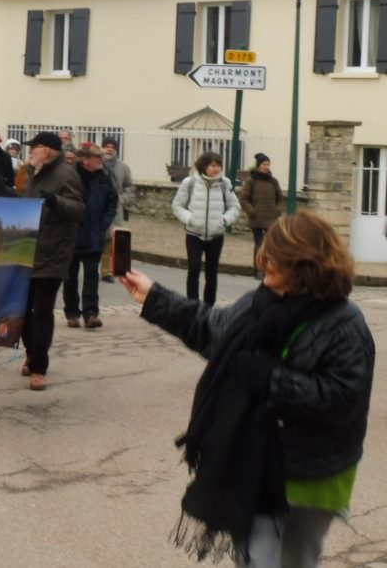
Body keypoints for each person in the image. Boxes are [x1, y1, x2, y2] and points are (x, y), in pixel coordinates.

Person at [119, 211, 374, 567]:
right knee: (257, 561)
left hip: (316, 473)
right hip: (252, 463)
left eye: (274, 263)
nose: (263, 268)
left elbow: (340, 400)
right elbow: (209, 328)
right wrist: (154, 298)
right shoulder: (261, 303)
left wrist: (270, 378)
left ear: (306, 267)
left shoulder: (346, 324)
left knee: (298, 561)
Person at [15, 131, 85, 391]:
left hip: (54, 253)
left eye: (34, 148)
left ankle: (39, 368)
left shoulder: (67, 174)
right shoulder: (32, 173)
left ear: (46, 150)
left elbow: (78, 209)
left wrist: (56, 201)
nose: (30, 152)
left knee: (42, 311)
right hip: (28, 250)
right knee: (22, 309)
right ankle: (32, 353)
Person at [172, 151, 240, 306]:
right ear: (204, 166)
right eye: (213, 165)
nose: (217, 169)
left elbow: (234, 207)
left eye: (219, 165)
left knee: (212, 273)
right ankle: (193, 306)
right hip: (194, 234)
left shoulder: (225, 183)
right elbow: (177, 205)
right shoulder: (190, 183)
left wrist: (223, 220)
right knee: (194, 270)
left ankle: (209, 307)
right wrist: (190, 219)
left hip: (216, 236)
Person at [63, 143, 117, 329]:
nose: (101, 160)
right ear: (85, 160)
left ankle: (90, 313)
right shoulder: (70, 176)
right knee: (70, 276)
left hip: (94, 234)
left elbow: (112, 200)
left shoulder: (104, 177)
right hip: (72, 234)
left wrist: (103, 224)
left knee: (92, 275)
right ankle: (71, 312)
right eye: (97, 157)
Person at [239, 153, 284, 277]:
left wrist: (277, 210)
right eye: (264, 164)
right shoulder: (251, 181)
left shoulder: (273, 181)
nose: (267, 166)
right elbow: (243, 199)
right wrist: (252, 211)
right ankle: (258, 270)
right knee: (259, 244)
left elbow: (280, 197)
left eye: (268, 164)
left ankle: (269, 269)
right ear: (259, 165)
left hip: (271, 218)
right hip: (257, 219)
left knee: (271, 245)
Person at [100, 136, 136, 283]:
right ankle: (92, 267)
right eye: (107, 146)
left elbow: (130, 186)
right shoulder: (97, 163)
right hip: (99, 206)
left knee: (111, 239)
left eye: (112, 147)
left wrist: (123, 199)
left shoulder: (122, 167)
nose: (109, 149)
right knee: (98, 238)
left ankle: (106, 271)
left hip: (115, 207)